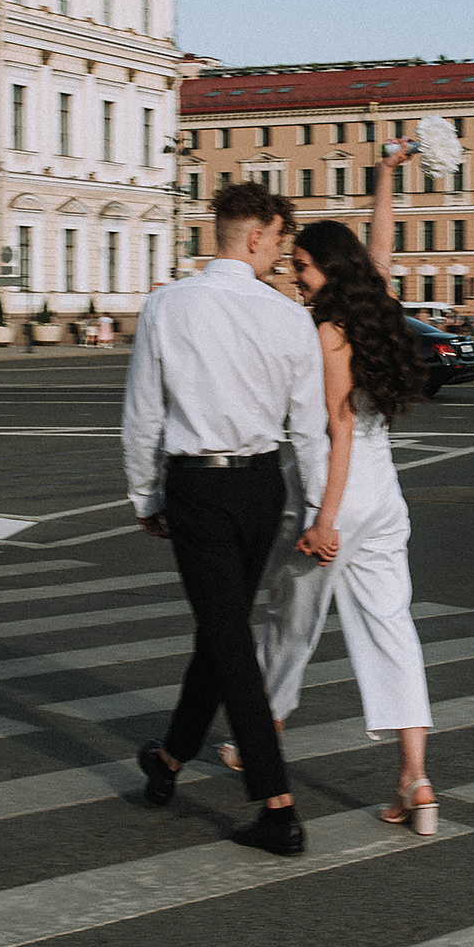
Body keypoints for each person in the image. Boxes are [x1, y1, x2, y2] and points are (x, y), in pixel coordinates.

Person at [122, 181, 328, 856]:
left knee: (226, 636)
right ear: (258, 233)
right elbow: (311, 428)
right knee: (225, 632)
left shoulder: (167, 305)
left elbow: (144, 413)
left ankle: (277, 803)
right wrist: (321, 507)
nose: (279, 254)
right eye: (279, 241)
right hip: (263, 487)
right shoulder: (288, 316)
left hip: (197, 486)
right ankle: (171, 758)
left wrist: (145, 496)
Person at [238, 143, 438, 834]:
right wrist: (386, 173)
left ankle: (260, 732)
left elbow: (339, 429)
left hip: (336, 491)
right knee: (391, 628)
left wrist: (324, 522)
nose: (296, 276)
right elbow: (381, 239)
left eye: (303, 266)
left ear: (328, 270)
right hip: (385, 497)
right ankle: (416, 777)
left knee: (290, 618)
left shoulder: (327, 331)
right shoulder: (376, 301)